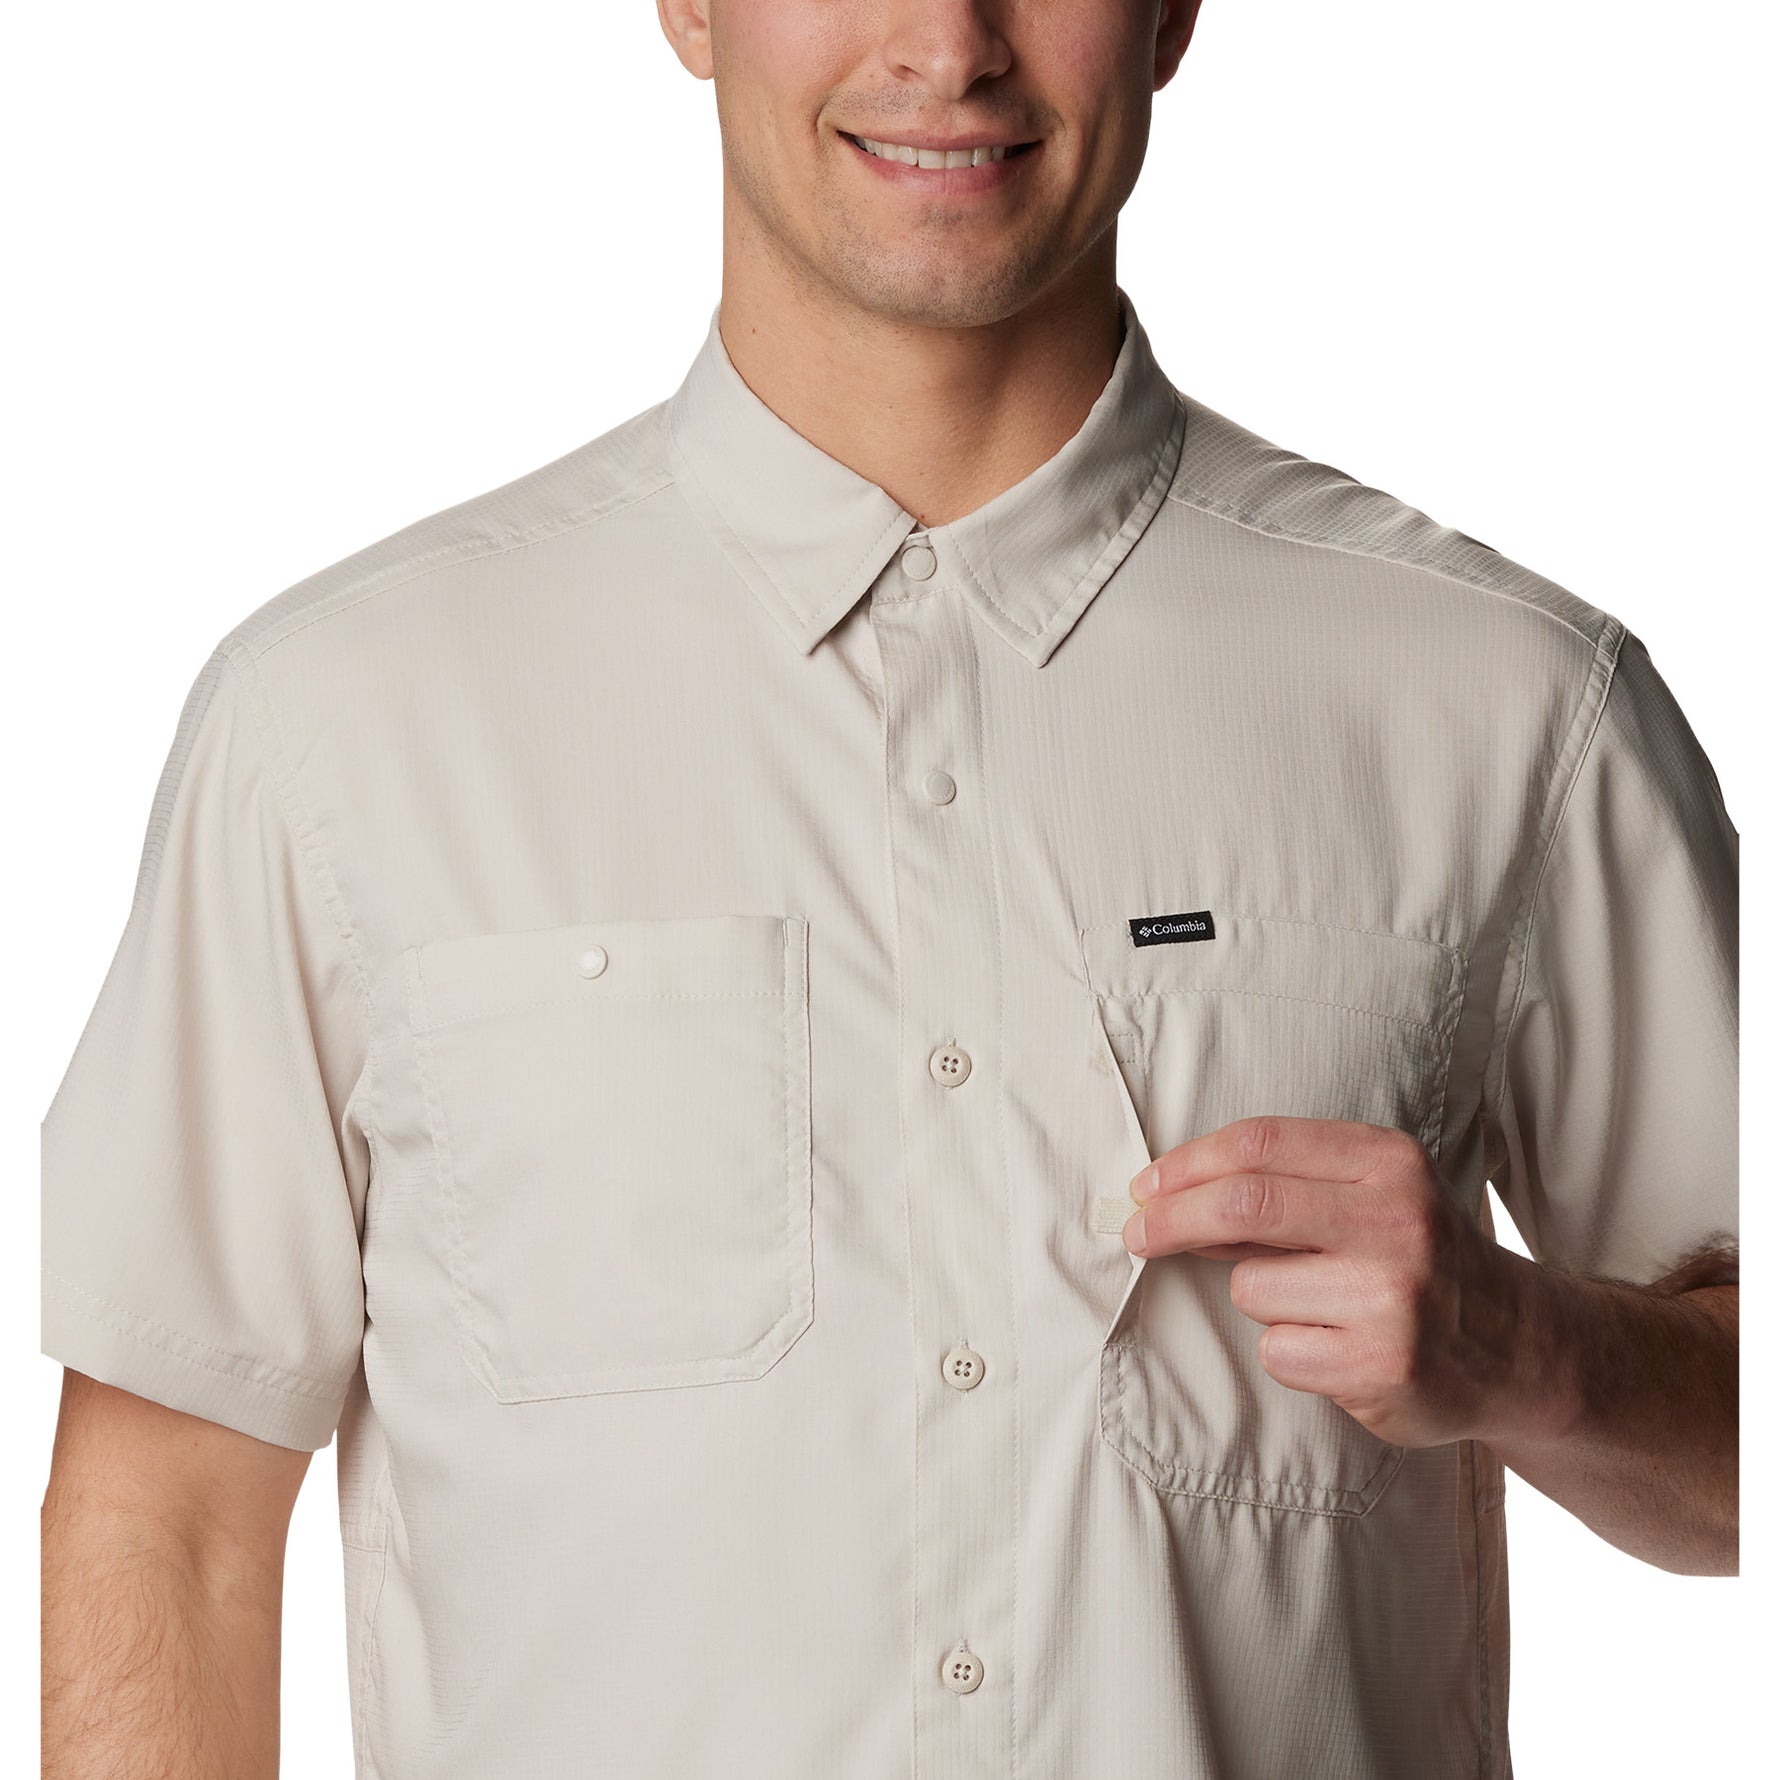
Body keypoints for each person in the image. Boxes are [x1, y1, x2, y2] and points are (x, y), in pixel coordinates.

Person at [39, 2, 1738, 1776]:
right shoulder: (343, 728)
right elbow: (172, 1517)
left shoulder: (1508, 704)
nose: (948, 43)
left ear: (1173, 14)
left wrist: (1532, 1350)